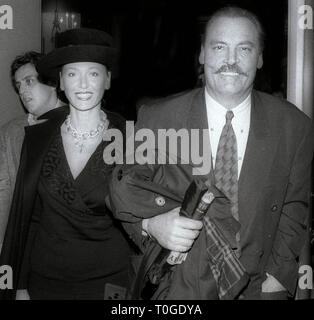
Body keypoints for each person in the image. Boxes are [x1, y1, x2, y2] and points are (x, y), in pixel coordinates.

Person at [110, 6, 314, 299]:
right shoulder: (158, 118)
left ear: (260, 58)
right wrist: (151, 225)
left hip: (257, 288)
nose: (231, 60)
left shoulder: (294, 126)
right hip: (180, 288)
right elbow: (126, 184)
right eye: (219, 47)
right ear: (202, 54)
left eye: (244, 48)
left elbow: (293, 207)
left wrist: (276, 280)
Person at [0, 28, 134, 300]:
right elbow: (31, 216)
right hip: (45, 282)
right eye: (72, 73)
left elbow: (142, 211)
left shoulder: (130, 136)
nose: (83, 84)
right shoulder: (37, 138)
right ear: (60, 81)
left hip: (108, 281)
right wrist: (21, 285)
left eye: (93, 73)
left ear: (107, 80)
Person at [0, 51, 64, 252]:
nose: (22, 91)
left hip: (72, 245)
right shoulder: (11, 133)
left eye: (29, 81)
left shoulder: (80, 124)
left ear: (52, 82)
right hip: (27, 245)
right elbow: (3, 190)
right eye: (19, 86)